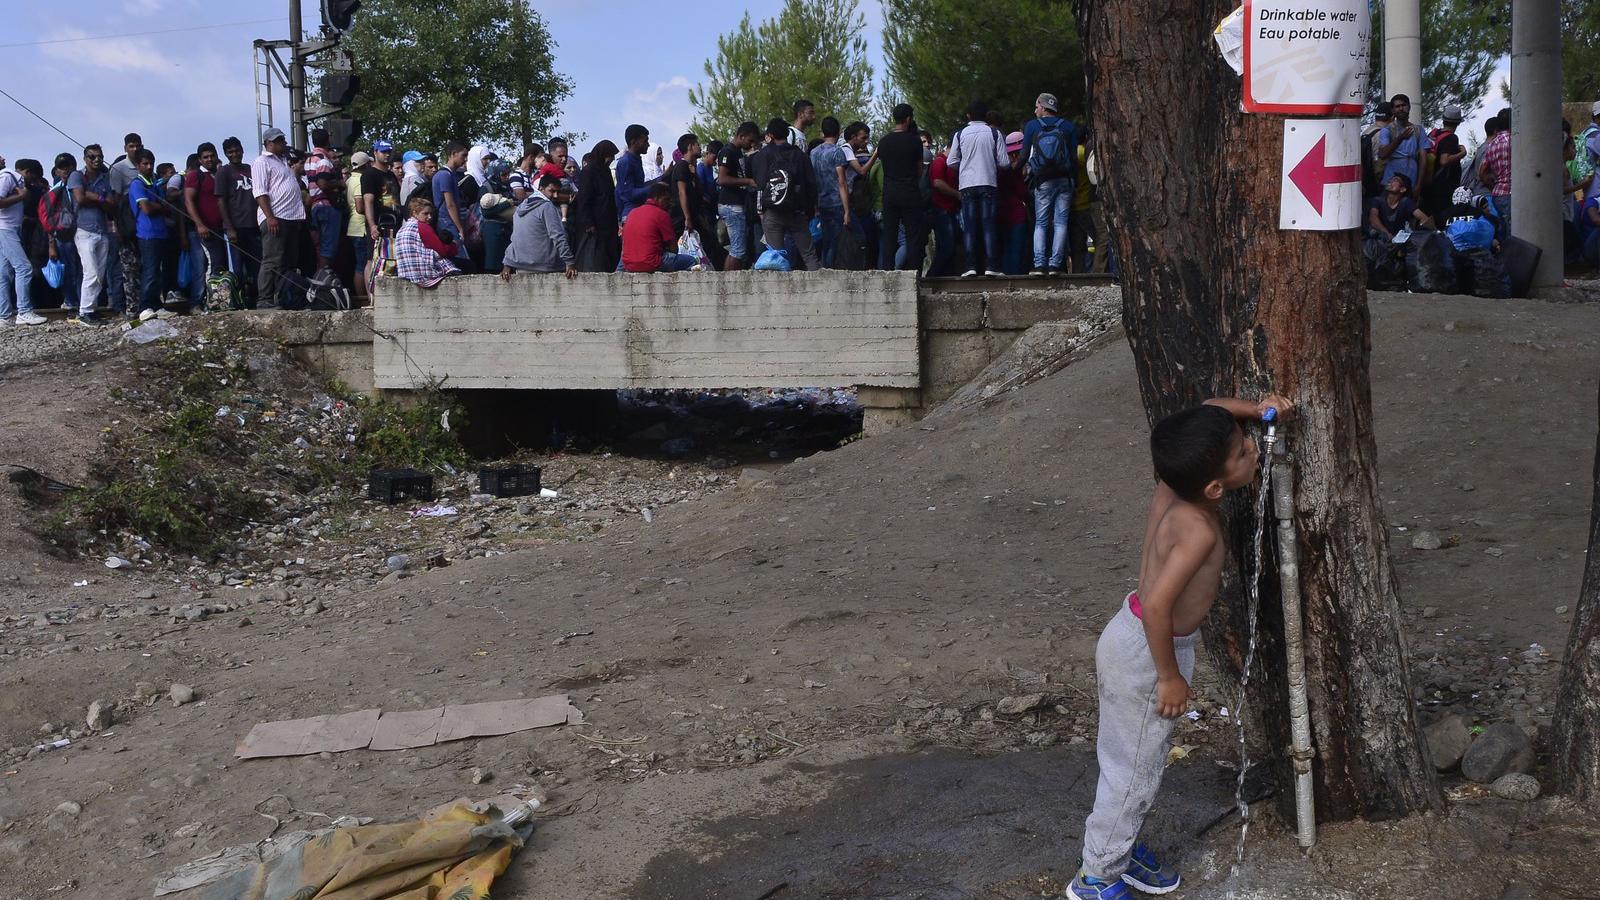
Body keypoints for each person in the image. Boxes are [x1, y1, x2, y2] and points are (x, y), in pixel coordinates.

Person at [1069, 395, 1290, 900]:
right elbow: (1162, 606)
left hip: (1127, 632)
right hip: (1152, 650)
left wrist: (1256, 409)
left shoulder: (1174, 479)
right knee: (1134, 771)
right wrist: (1170, 676)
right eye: (1241, 452)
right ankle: (1096, 877)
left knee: (1126, 759)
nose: (1252, 448)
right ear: (1215, 486)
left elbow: (1211, 406)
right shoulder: (1197, 530)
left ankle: (1114, 850)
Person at [947, 100, 1011, 277]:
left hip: (967, 184)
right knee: (988, 225)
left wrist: (966, 164)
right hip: (988, 183)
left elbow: (950, 161)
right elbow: (1005, 162)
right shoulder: (994, 133)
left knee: (970, 226)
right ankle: (992, 266)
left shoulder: (960, 134)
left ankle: (970, 267)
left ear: (968, 115)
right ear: (986, 116)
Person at [749, 118, 821, 271]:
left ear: (770, 135)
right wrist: (809, 209)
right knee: (809, 255)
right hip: (797, 212)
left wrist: (761, 210)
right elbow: (811, 185)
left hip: (773, 211)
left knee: (775, 258)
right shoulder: (800, 155)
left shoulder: (763, 155)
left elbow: (760, 184)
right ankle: (820, 289)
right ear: (788, 133)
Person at [1017, 92, 1076, 275]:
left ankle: (1040, 264)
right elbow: (1073, 158)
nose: (1035, 111)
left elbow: (1024, 155)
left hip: (1043, 181)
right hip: (1064, 180)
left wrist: (1013, 171)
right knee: (1060, 223)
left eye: (1036, 107)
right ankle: (1055, 265)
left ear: (1043, 107)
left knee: (1041, 223)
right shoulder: (1068, 126)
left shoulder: (1032, 126)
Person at [252, 127, 306, 307]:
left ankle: (282, 296)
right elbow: (260, 192)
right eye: (280, 141)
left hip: (290, 217)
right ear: (270, 143)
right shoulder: (262, 162)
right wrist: (270, 216)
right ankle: (264, 299)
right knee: (272, 259)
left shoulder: (282, 161)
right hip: (275, 216)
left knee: (288, 262)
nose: (284, 143)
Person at [128, 148, 180, 319]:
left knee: (158, 271)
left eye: (151, 163)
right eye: (145, 164)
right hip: (147, 233)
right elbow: (147, 208)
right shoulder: (137, 184)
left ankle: (156, 305)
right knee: (150, 271)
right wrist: (161, 206)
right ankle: (145, 306)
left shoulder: (154, 184)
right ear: (138, 165)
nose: (149, 166)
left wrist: (161, 205)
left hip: (160, 232)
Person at [878, 104, 929, 272]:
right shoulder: (914, 141)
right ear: (908, 119)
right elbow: (920, 169)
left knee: (889, 235)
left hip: (890, 192)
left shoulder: (884, 142)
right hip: (909, 191)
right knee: (913, 235)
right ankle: (915, 273)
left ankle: (887, 270)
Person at [69, 145, 115, 324]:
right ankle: (85, 311)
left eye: (99, 157)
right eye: (92, 157)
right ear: (85, 158)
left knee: (100, 274)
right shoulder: (77, 175)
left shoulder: (105, 178)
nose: (96, 160)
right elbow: (80, 198)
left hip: (102, 230)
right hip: (84, 230)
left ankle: (91, 309)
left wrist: (94, 197)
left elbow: (111, 204)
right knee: (91, 272)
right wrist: (100, 199)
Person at [215, 137, 261, 308]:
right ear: (226, 154)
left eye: (237, 150)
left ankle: (255, 299)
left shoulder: (250, 169)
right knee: (237, 268)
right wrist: (229, 227)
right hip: (236, 226)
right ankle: (239, 301)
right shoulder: (224, 172)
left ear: (242, 150)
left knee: (256, 265)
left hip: (254, 225)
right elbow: (221, 201)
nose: (235, 154)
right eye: (230, 152)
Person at [501, 175, 576, 278]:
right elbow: (558, 236)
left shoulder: (519, 209)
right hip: (546, 267)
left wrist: (507, 264)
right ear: (541, 188)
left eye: (557, 192)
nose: (555, 196)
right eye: (551, 191)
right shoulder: (546, 207)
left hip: (521, 267)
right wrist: (569, 261)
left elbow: (515, 238)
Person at [182, 142, 227, 308]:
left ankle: (218, 301)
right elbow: (188, 201)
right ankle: (200, 302)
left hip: (220, 228)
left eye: (212, 156)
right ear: (200, 160)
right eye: (205, 157)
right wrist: (200, 225)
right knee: (207, 265)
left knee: (219, 264)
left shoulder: (219, 175)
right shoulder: (195, 176)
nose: (209, 159)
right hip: (204, 229)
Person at [0, 156, 43, 326]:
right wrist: (21, 197)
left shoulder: (9, 177)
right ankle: (24, 311)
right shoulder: (8, 176)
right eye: (33, 178)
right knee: (24, 267)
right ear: (27, 172)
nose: (32, 183)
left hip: (9, 228)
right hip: (6, 229)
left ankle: (4, 315)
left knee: (4, 273)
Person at [40, 153, 83, 319]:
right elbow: (47, 220)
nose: (66, 170)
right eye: (62, 167)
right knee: (68, 270)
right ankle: (72, 301)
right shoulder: (54, 192)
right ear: (56, 171)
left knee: (81, 270)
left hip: (81, 232)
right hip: (63, 237)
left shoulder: (79, 185)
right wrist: (51, 245)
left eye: (69, 166)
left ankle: (80, 302)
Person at [622, 181, 696, 273]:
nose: (668, 203)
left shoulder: (632, 213)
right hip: (652, 263)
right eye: (666, 199)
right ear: (657, 197)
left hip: (629, 264)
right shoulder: (661, 214)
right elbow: (673, 248)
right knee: (692, 261)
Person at [716, 122, 761, 270]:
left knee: (739, 249)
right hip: (731, 205)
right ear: (741, 136)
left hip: (737, 204)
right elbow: (722, 179)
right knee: (737, 250)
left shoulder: (737, 152)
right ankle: (728, 285)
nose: (752, 144)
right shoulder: (728, 151)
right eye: (750, 140)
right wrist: (748, 181)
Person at [572, 140, 621, 272]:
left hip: (608, 224)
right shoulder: (589, 172)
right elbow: (584, 199)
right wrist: (589, 223)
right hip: (595, 225)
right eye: (609, 156)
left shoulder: (605, 172)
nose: (611, 160)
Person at [394, 197, 461, 288]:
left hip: (407, 273)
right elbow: (443, 251)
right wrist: (453, 245)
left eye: (431, 214)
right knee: (468, 265)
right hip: (424, 274)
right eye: (425, 214)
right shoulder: (422, 227)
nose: (429, 217)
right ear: (415, 213)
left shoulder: (402, 229)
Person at [810, 117, 849, 267]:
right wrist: (847, 210)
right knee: (835, 241)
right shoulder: (837, 152)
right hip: (835, 202)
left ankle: (824, 268)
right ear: (838, 131)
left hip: (819, 201)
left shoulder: (813, 152)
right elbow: (842, 182)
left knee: (826, 239)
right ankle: (830, 269)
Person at [1377, 93, 1430, 202]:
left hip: (1411, 178)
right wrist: (1400, 138)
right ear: (1392, 110)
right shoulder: (1387, 130)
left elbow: (1424, 159)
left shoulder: (1418, 130)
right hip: (1391, 178)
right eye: (1397, 106)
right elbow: (1383, 153)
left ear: (1409, 107)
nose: (1401, 108)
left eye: (1403, 105)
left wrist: (1419, 185)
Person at [1422, 105, 1467, 224]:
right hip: (1443, 187)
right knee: (1441, 220)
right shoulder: (1451, 138)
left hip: (1427, 185)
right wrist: (1462, 153)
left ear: (1443, 119)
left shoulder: (1433, 134)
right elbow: (1444, 160)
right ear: (1458, 123)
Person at [431, 140, 471, 265]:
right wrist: (460, 228)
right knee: (459, 258)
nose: (465, 160)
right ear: (453, 154)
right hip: (447, 222)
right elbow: (450, 204)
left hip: (448, 221)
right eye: (463, 156)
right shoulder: (444, 175)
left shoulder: (450, 174)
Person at [615, 125, 661, 224]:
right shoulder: (626, 162)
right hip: (631, 216)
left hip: (639, 211)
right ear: (633, 141)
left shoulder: (636, 159)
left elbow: (640, 186)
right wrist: (654, 187)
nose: (648, 145)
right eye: (645, 141)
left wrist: (663, 177)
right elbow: (629, 194)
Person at [998, 133, 1029, 274]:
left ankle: (1006, 278)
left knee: (1006, 249)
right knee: (1017, 249)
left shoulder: (998, 171)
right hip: (1017, 214)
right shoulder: (1015, 172)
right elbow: (1022, 192)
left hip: (1002, 214)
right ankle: (1016, 277)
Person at [1479, 107, 1512, 239]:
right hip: (1511, 193)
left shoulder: (1492, 144)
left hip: (1498, 195)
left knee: (1504, 230)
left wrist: (1493, 185)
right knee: (1515, 232)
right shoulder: (1516, 140)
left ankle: (1505, 257)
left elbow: (1481, 172)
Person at [307, 170, 343, 274]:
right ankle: (322, 280)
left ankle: (321, 277)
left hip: (317, 209)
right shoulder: (323, 164)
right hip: (325, 208)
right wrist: (339, 184)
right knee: (326, 250)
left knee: (322, 248)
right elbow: (323, 185)